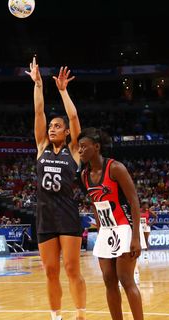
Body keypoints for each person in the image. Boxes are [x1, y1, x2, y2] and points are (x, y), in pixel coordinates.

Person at [27, 57, 87, 320]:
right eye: (51, 126)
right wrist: (38, 84)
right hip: (45, 215)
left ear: (66, 133)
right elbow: (38, 112)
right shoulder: (41, 147)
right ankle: (56, 316)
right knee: (51, 271)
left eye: (57, 126)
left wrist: (63, 91)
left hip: (67, 214)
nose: (52, 128)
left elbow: (73, 116)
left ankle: (81, 313)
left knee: (72, 268)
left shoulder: (74, 151)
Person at [78, 128, 143, 320]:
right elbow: (96, 204)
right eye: (78, 148)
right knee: (109, 281)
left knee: (126, 280)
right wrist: (100, 231)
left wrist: (136, 237)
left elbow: (134, 202)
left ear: (96, 147)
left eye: (84, 147)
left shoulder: (115, 168)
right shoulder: (84, 175)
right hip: (106, 231)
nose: (80, 151)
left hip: (124, 227)